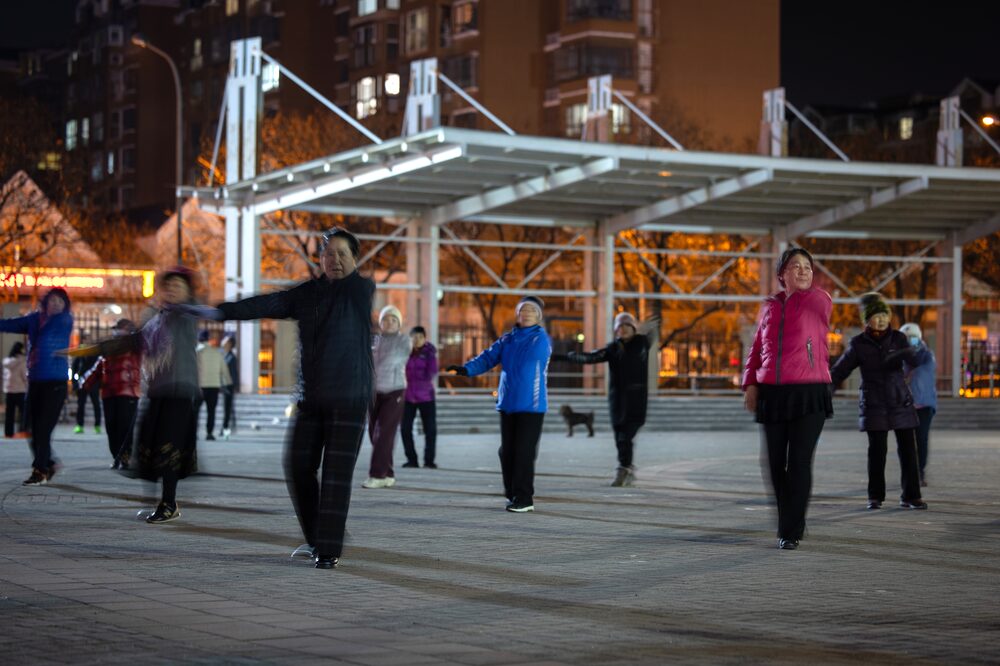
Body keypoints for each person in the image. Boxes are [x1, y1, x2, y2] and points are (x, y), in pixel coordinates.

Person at [216, 228, 374, 570]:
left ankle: (327, 550)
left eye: (343, 254)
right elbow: (267, 303)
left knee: (335, 474)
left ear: (355, 259)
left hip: (349, 399)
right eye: (329, 253)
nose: (335, 260)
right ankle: (320, 536)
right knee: (298, 466)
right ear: (320, 258)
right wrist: (220, 312)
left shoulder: (360, 290)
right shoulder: (308, 294)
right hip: (312, 399)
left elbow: (352, 285)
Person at [742, 248, 833, 550]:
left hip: (810, 391)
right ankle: (791, 519)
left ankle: (790, 531)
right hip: (772, 393)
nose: (804, 271)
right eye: (796, 266)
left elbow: (821, 310)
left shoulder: (818, 301)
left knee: (798, 463)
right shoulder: (769, 306)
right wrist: (750, 383)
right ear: (782, 274)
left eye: (808, 266)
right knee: (773, 463)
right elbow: (757, 347)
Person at [447, 295, 552, 513]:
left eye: (531, 310)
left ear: (539, 316)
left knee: (523, 452)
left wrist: (508, 351)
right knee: (507, 452)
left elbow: (528, 361)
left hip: (531, 404)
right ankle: (512, 492)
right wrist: (466, 369)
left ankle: (525, 498)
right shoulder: (508, 339)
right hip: (508, 403)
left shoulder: (540, 339)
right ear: (517, 314)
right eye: (523, 310)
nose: (526, 313)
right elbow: (487, 358)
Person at [830, 293, 927, 511]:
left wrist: (908, 351)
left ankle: (911, 496)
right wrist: (827, 387)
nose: (881, 319)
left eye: (885, 314)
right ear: (866, 319)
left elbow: (916, 360)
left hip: (899, 399)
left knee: (909, 450)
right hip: (874, 402)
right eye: (876, 315)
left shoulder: (898, 338)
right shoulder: (858, 344)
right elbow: (840, 370)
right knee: (877, 451)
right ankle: (875, 496)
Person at [557, 311, 652, 487]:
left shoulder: (642, 344)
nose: (622, 330)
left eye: (626, 326)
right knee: (619, 436)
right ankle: (626, 467)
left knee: (626, 436)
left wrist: (653, 317)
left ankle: (624, 468)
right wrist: (565, 356)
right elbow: (591, 357)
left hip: (636, 400)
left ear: (633, 328)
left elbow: (651, 333)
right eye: (619, 327)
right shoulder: (613, 349)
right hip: (618, 400)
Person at [0, 287, 73, 485]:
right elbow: (10, 324)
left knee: (42, 429)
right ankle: (48, 462)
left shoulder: (65, 320)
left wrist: (35, 324)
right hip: (35, 382)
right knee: (30, 428)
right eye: (53, 300)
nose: (57, 303)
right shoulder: (34, 319)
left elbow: (48, 335)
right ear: (46, 302)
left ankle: (40, 470)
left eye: (61, 301)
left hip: (55, 383)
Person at [80, 319, 142, 469]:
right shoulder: (107, 353)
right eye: (117, 329)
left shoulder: (135, 350)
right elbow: (97, 370)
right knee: (111, 427)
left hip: (129, 394)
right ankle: (117, 456)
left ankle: (126, 457)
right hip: (109, 394)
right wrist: (84, 384)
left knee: (125, 427)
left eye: (122, 329)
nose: (118, 332)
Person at [364, 305, 410, 489]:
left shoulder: (404, 341)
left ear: (399, 323)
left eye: (393, 320)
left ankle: (377, 475)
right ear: (380, 322)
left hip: (394, 391)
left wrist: (371, 359)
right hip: (374, 393)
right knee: (374, 433)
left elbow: (391, 360)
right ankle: (388, 473)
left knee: (383, 434)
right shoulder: (374, 340)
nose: (389, 323)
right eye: (385, 319)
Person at [899, 322, 936, 487]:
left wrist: (910, 352)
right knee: (905, 442)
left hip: (924, 405)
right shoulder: (900, 357)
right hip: (905, 405)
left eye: (912, 338)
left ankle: (920, 472)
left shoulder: (926, 355)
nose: (909, 341)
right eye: (905, 339)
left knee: (921, 439)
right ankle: (908, 472)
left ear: (919, 338)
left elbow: (919, 365)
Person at [401, 325, 438, 469]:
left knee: (430, 430)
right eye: (414, 337)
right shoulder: (404, 352)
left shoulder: (429, 352)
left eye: (420, 337)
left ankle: (429, 461)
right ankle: (412, 460)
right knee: (405, 429)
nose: (417, 340)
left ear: (424, 338)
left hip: (426, 397)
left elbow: (432, 372)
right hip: (408, 396)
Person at [196, 329, 231, 441]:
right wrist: (228, 384)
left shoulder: (197, 353)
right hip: (214, 386)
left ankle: (193, 432)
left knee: (195, 411)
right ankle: (209, 433)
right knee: (211, 411)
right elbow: (224, 370)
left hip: (200, 387)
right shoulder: (217, 353)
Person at [72, 333, 102, 434]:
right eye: (85, 340)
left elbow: (99, 368)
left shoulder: (95, 353)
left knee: (96, 404)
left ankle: (97, 425)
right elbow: (74, 368)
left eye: (88, 340)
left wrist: (100, 383)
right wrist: (74, 383)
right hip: (81, 382)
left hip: (93, 383)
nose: (86, 342)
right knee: (81, 405)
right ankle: (79, 425)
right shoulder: (79, 354)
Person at [3, 341, 28, 438]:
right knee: (23, 412)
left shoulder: (6, 362)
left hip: (9, 390)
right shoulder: (22, 361)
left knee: (9, 413)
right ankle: (21, 430)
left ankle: (8, 433)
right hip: (20, 390)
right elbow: (24, 376)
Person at [221, 334, 238, 439]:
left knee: (227, 409)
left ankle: (225, 428)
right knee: (227, 409)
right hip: (226, 385)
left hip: (229, 386)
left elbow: (233, 373)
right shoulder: (226, 355)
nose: (223, 343)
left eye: (226, 342)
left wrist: (231, 386)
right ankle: (225, 427)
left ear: (230, 344)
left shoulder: (231, 357)